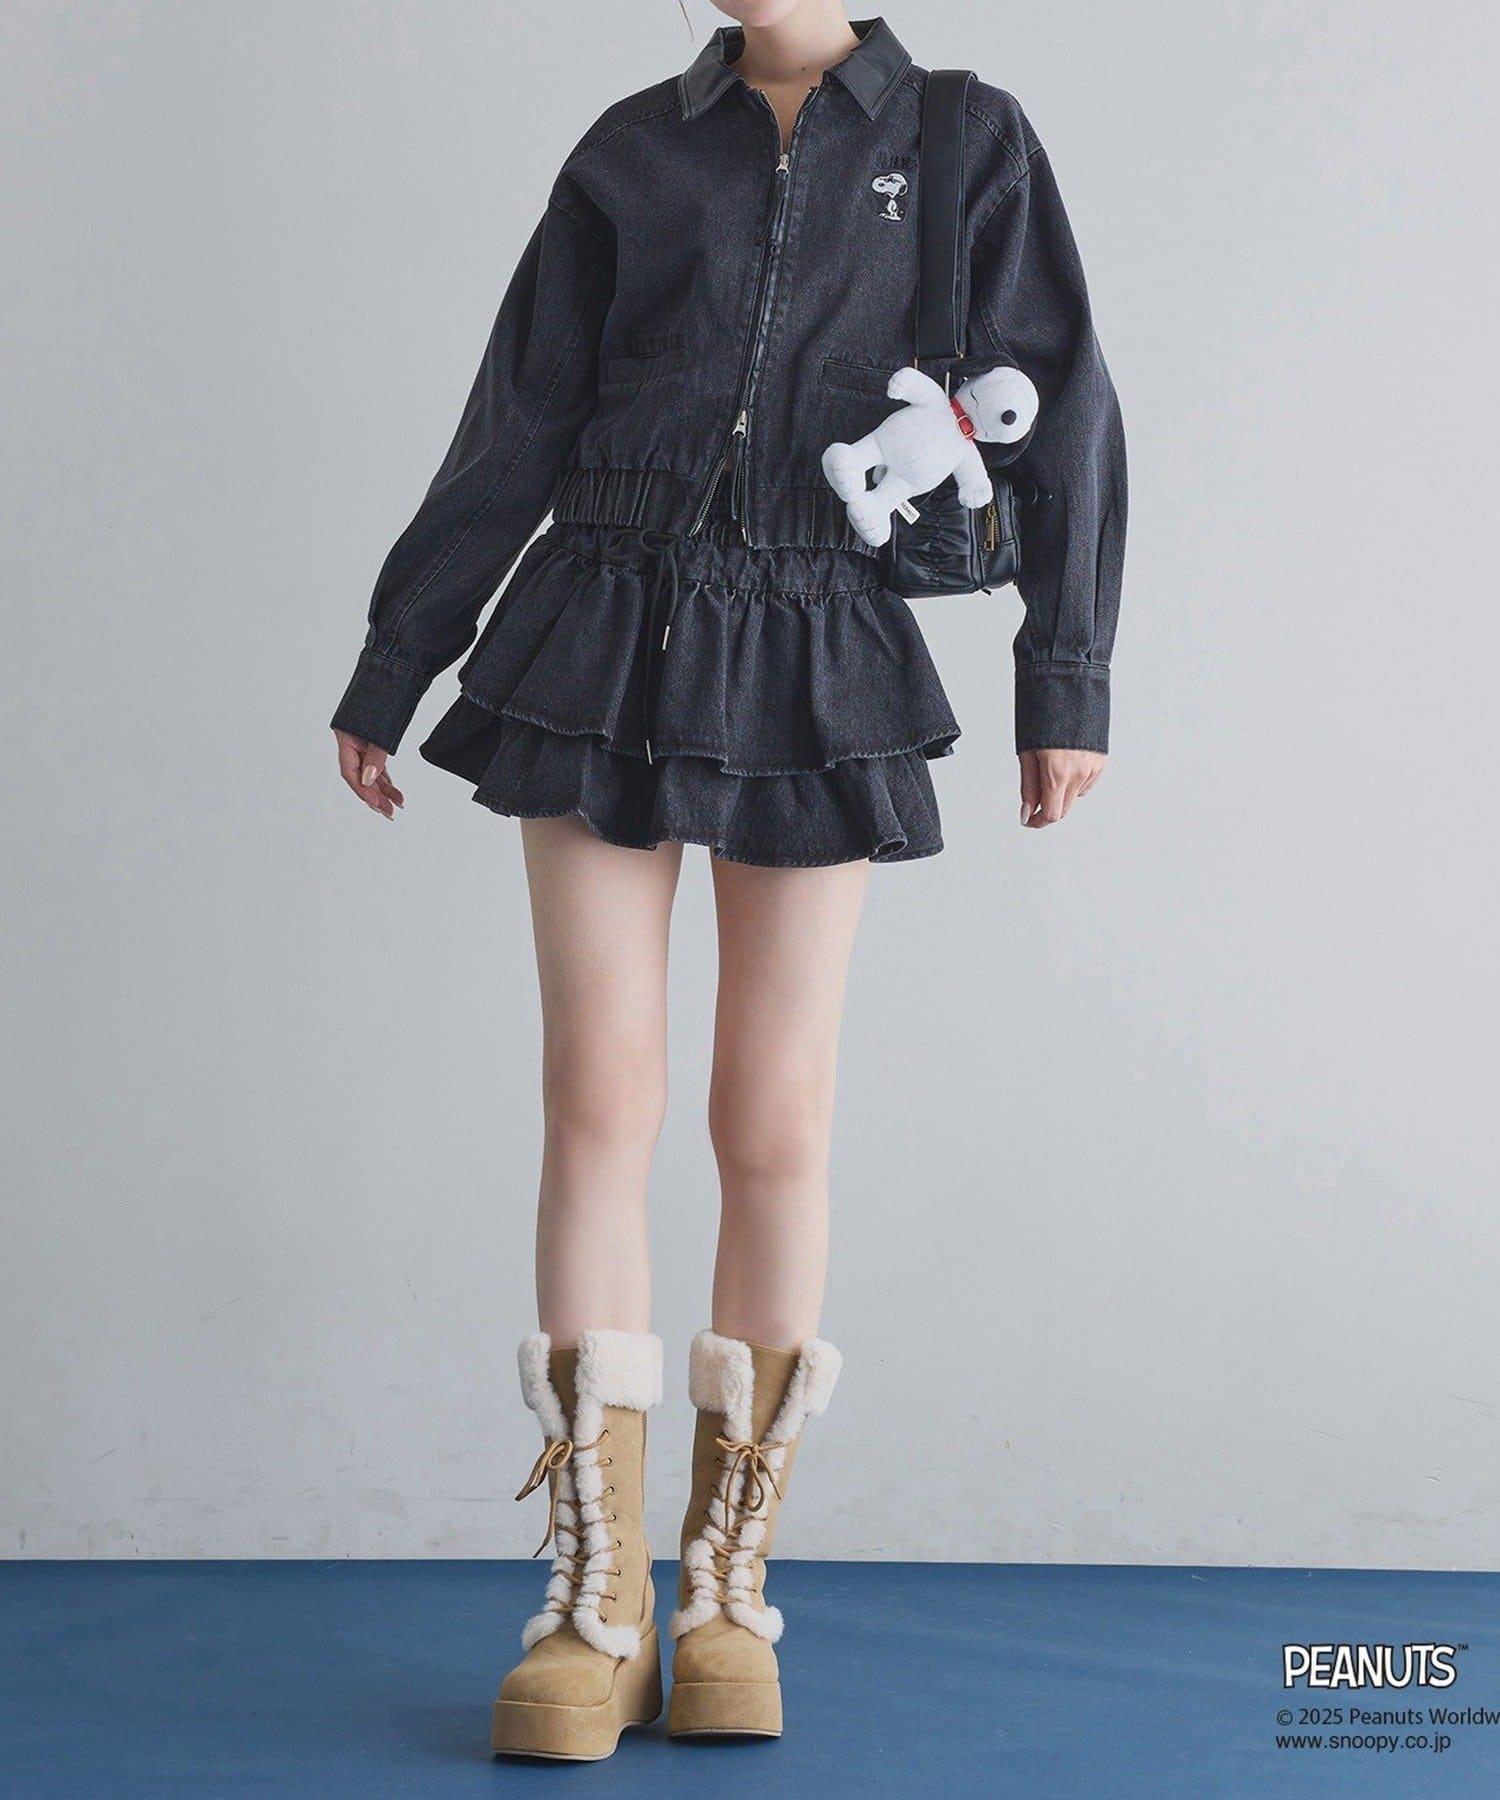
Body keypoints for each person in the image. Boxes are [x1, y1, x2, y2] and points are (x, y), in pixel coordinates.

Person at [330, 1, 1124, 1761]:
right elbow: (519, 414)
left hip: (815, 646)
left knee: (771, 1116)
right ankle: (596, 1598)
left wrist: (1064, 677)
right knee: (594, 1098)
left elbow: (1060, 402)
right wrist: (399, 660)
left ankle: (725, 1588)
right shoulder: (634, 146)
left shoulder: (966, 139)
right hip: (597, 628)